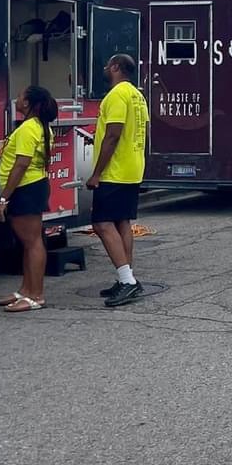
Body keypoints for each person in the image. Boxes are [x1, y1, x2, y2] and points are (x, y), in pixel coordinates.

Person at [87, 54, 150, 308]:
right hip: (132, 167)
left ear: (115, 67)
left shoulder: (116, 95)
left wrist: (96, 173)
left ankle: (127, 282)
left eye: (106, 64)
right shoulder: (138, 95)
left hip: (115, 170)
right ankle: (127, 276)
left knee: (102, 223)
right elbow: (143, 131)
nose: (104, 68)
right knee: (122, 221)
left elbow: (112, 135)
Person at [0, 86, 59, 313]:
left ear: (29, 103)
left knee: (32, 243)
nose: (17, 99)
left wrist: (3, 199)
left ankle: (36, 295)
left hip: (26, 189)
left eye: (21, 96)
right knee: (28, 243)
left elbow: (21, 164)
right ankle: (25, 290)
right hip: (34, 187)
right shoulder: (38, 127)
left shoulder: (28, 129)